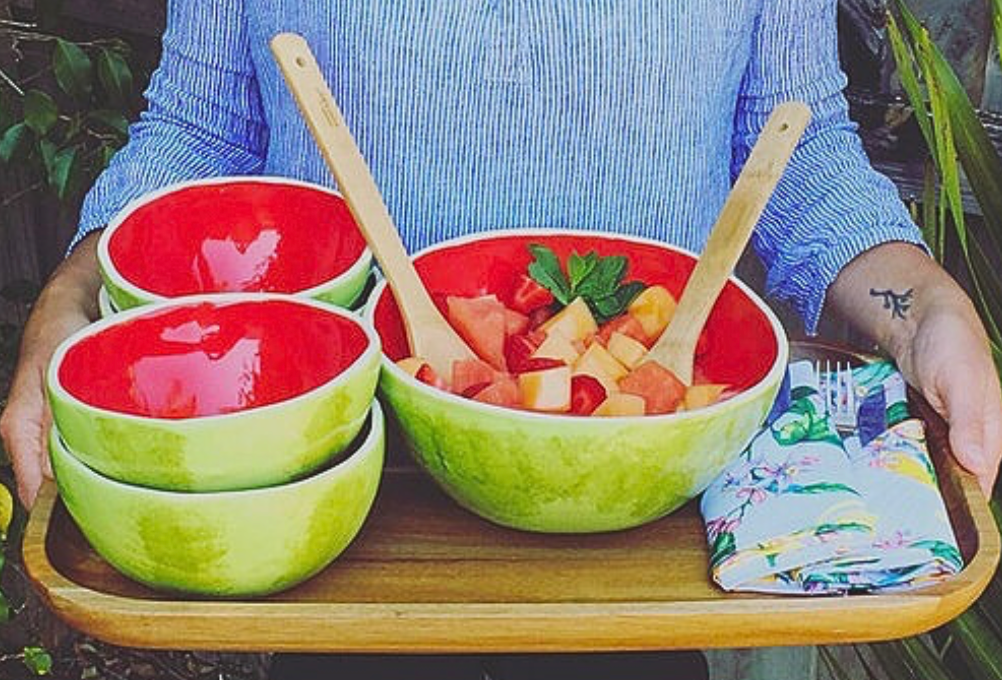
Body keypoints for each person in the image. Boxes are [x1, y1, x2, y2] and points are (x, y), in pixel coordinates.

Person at [1, 1, 1000, 677]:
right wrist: (75, 295)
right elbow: (202, 128)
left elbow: (793, 137)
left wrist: (921, 304)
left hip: (646, 540)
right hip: (353, 514)